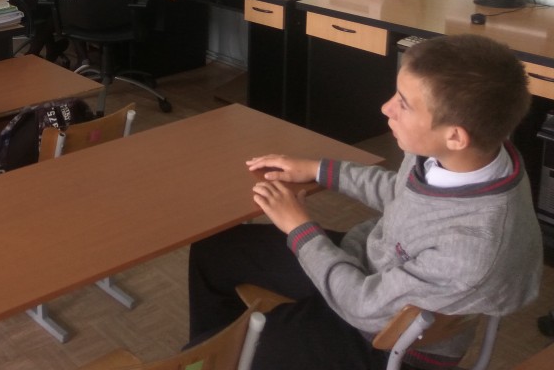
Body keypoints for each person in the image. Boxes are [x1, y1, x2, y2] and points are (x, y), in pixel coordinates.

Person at [187, 34, 542, 370]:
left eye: (403, 104)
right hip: (371, 270)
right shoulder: (471, 155)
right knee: (213, 252)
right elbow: (403, 192)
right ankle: (211, 349)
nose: (386, 107)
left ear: (454, 136)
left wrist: (299, 228)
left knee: (228, 352)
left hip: (387, 341)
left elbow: (360, 305)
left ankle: (215, 355)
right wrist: (318, 169)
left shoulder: (471, 249)